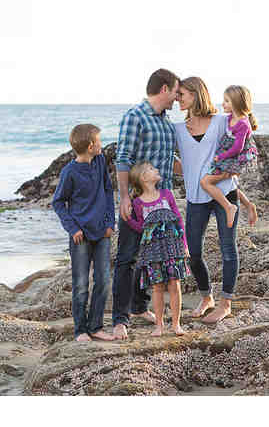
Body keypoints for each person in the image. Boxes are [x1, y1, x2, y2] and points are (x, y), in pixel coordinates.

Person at [174, 77, 257, 324]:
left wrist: (238, 191)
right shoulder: (177, 129)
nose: (177, 99)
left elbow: (243, 151)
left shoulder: (222, 121)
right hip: (196, 197)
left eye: (181, 94)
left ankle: (225, 304)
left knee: (228, 248)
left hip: (226, 194)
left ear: (195, 95)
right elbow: (184, 163)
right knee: (194, 253)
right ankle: (206, 297)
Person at [113, 68, 181, 340]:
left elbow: (170, 161)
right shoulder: (135, 117)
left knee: (152, 258)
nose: (177, 97)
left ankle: (140, 307)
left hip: (163, 204)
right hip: (138, 202)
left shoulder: (167, 123)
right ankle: (120, 319)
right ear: (164, 89)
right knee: (127, 259)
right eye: (176, 91)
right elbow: (123, 158)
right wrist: (124, 197)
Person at [52, 124, 116, 342]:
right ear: (90, 146)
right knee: (80, 285)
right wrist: (73, 228)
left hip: (102, 233)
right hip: (80, 236)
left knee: (103, 280)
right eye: (99, 141)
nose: (101, 145)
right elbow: (58, 202)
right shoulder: (69, 172)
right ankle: (80, 330)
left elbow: (108, 191)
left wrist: (110, 222)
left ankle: (96, 327)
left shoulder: (100, 162)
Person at [125, 162, 190, 337]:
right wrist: (128, 219)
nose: (156, 170)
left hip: (172, 247)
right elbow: (142, 228)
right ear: (144, 178)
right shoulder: (138, 203)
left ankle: (176, 324)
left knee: (175, 284)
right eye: (151, 169)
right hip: (152, 251)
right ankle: (159, 325)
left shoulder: (167, 194)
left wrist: (184, 244)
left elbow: (178, 220)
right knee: (157, 287)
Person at [200, 85, 259, 228]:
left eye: (226, 101)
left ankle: (228, 207)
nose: (223, 104)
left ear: (237, 103)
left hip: (234, 158)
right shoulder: (230, 117)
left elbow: (237, 148)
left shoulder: (243, 124)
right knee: (228, 185)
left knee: (205, 182)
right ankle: (248, 205)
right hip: (228, 155)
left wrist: (221, 157)